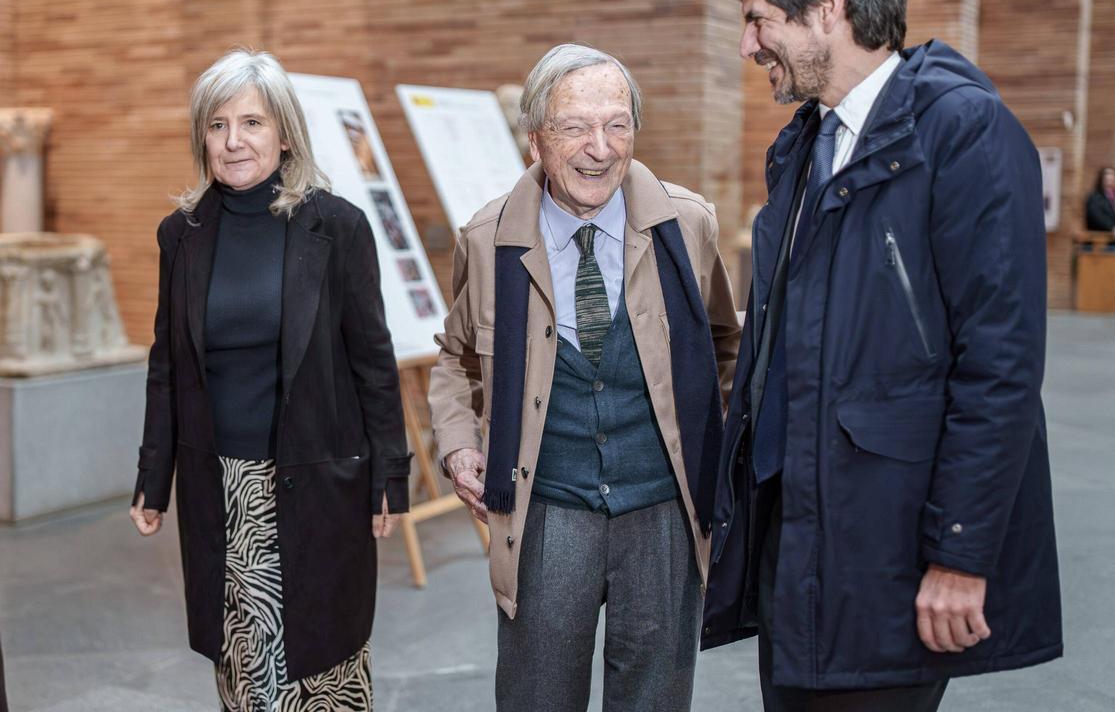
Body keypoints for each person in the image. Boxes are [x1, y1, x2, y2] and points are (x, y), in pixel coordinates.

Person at [702, 0, 1063, 710]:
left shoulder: (964, 135)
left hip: (891, 554)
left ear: (827, 9)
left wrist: (960, 557)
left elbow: (999, 369)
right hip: (802, 542)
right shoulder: (805, 146)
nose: (747, 45)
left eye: (759, 19)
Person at [429, 43, 741, 712]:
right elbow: (455, 359)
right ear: (537, 135)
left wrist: (726, 462)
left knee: (654, 699)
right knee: (537, 696)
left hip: (661, 511)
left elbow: (725, 346)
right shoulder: (488, 240)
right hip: (547, 510)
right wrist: (457, 446)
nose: (600, 147)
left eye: (618, 124)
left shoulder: (687, 226)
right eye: (575, 126)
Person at [128, 48, 411, 711]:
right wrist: (152, 477)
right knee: (246, 671)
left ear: (284, 133)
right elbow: (166, 365)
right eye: (218, 124)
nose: (233, 141)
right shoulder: (183, 234)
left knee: (326, 667)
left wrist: (387, 477)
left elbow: (373, 359)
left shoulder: (336, 228)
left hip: (317, 479)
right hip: (221, 489)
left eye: (251, 123)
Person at [1086, 166, 1115, 248]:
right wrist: (1112, 228)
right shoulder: (1095, 198)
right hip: (1101, 243)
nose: (1110, 182)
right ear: (1101, 180)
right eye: (1107, 180)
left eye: (1112, 179)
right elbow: (1097, 216)